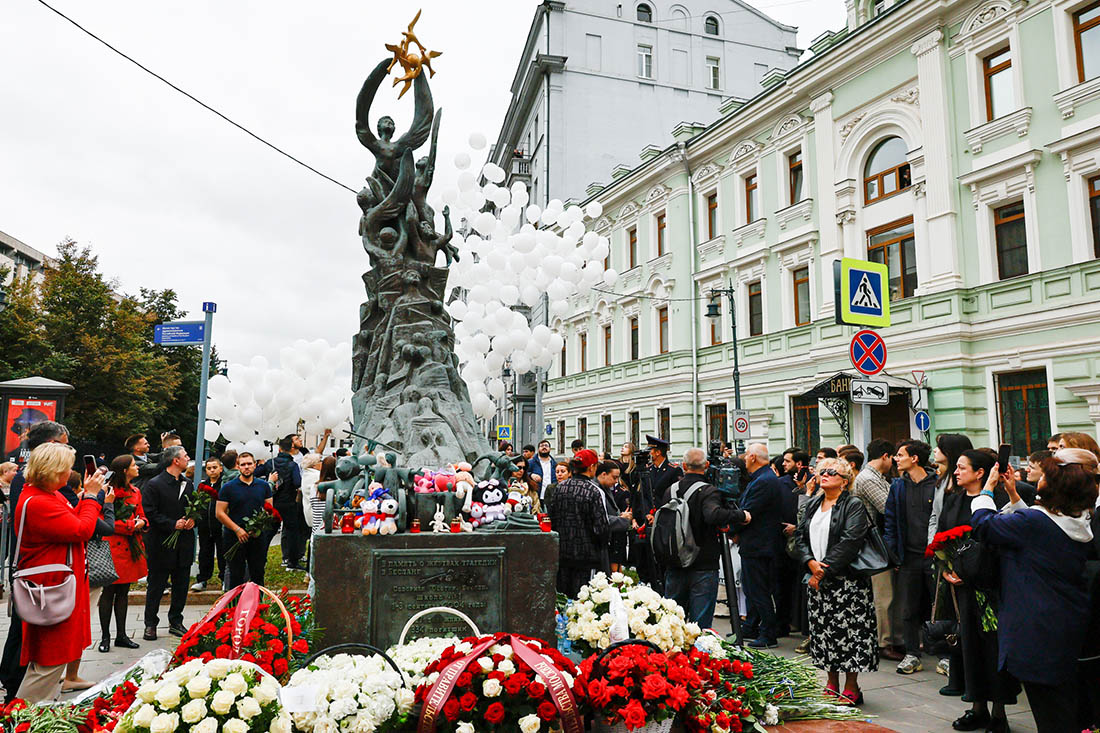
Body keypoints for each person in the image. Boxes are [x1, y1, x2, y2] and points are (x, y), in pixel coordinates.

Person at [970, 449, 1097, 733]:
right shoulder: (1079, 517)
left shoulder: (1035, 524)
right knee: (1062, 705)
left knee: (1051, 714)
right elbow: (1039, 525)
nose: (1037, 478)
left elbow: (984, 526)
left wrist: (987, 489)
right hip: (1063, 622)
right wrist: (1014, 495)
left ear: (1055, 487)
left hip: (1036, 631)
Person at [13, 443, 104, 703]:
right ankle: (21, 716)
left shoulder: (45, 494)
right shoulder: (41, 501)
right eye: (67, 468)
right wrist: (91, 498)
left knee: (52, 658)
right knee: (49, 660)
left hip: (54, 585)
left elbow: (72, 522)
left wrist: (87, 499)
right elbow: (81, 530)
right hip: (52, 590)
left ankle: (40, 709)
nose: (70, 473)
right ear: (54, 471)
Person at [939, 449, 1020, 733]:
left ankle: (999, 713)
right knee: (969, 647)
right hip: (962, 589)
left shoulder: (999, 501)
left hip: (995, 589)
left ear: (980, 473)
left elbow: (1004, 541)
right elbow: (941, 537)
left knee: (994, 649)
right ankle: (977, 708)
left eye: (962, 467)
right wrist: (946, 569)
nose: (956, 472)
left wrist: (977, 571)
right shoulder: (954, 500)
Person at [793, 457, 878, 706]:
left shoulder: (853, 504)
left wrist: (821, 572)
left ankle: (852, 686)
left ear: (845, 480)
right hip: (817, 581)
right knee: (824, 634)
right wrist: (810, 562)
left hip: (847, 582)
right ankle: (831, 683)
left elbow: (851, 541)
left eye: (832, 472)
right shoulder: (813, 503)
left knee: (851, 635)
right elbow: (799, 536)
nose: (825, 475)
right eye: (822, 471)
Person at [1, 420, 69, 701]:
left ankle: (11, 682)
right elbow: (75, 525)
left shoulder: (28, 476)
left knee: (21, 629)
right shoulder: (34, 480)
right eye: (64, 446)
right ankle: (14, 690)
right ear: (52, 445)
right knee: (24, 629)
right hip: (33, 566)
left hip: (29, 564)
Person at [663, 448, 747, 628]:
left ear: (684, 465)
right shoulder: (709, 491)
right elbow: (713, 515)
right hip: (703, 562)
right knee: (699, 624)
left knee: (672, 621)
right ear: (707, 465)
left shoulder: (671, 490)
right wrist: (741, 515)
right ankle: (698, 647)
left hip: (675, 560)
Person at [884, 439, 937, 675]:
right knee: (908, 608)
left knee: (938, 606)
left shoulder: (937, 484)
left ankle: (944, 655)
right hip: (908, 557)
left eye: (900, 455)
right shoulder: (898, 486)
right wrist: (894, 553)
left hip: (934, 555)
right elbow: (890, 520)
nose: (896, 459)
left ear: (914, 459)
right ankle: (912, 654)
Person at [852, 439, 903, 662]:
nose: (895, 462)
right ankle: (884, 642)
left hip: (878, 542)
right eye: (893, 457)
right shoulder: (868, 478)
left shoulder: (877, 477)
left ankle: (891, 639)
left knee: (888, 594)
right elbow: (887, 506)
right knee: (884, 596)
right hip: (873, 544)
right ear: (885, 456)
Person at [141, 446, 193, 640]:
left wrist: (193, 519)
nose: (188, 458)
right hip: (161, 543)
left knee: (181, 585)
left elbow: (193, 508)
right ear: (175, 461)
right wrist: (172, 524)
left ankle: (176, 621)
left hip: (184, 543)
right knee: (156, 586)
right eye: (185, 456)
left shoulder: (188, 483)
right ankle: (150, 623)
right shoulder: (154, 484)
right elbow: (149, 512)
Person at [99, 456, 146, 652]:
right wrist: (130, 525)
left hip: (130, 546)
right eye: (134, 465)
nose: (137, 468)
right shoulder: (107, 491)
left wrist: (142, 522)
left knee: (124, 592)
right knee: (108, 592)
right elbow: (102, 519)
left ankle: (121, 635)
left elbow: (141, 514)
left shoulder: (135, 491)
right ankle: (105, 637)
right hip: (113, 547)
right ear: (125, 470)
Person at [547, 449, 609, 597]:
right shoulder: (594, 491)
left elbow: (551, 518)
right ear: (591, 467)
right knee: (583, 599)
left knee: (563, 598)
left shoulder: (560, 488)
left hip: (562, 553)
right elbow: (601, 527)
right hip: (586, 556)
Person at [739, 442, 782, 648]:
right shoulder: (762, 478)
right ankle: (751, 626)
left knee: (758, 590)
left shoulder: (764, 481)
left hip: (759, 544)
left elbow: (748, 511)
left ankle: (768, 633)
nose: (744, 459)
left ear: (753, 457)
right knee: (751, 588)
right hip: (757, 543)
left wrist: (732, 528)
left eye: (747, 455)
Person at [217, 452, 274, 588]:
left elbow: (269, 511)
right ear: (238, 467)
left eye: (249, 464)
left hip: (256, 536)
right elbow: (219, 513)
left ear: (255, 465)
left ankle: (257, 601)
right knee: (236, 575)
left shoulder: (263, 486)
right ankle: (235, 601)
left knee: (258, 574)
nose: (246, 467)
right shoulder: (228, 487)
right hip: (234, 536)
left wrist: (258, 528)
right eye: (243, 464)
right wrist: (237, 529)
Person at [191, 456, 226, 592]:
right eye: (209, 468)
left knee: (223, 552)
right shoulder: (203, 486)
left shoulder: (224, 484)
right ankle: (203, 579)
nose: (212, 470)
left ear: (220, 468)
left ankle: (224, 578)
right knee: (205, 553)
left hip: (220, 525)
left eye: (214, 467)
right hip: (205, 526)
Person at [272, 436, 305, 570]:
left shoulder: (270, 463)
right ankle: (293, 561)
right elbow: (297, 483)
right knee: (292, 532)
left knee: (269, 531)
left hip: (273, 502)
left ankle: (260, 556)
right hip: (288, 502)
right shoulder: (292, 465)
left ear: (280, 449)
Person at [594, 460, 631, 573]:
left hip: (611, 541)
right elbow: (599, 519)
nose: (616, 481)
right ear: (604, 474)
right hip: (599, 544)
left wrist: (620, 515)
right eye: (614, 477)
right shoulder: (595, 490)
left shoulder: (605, 488)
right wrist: (623, 520)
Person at [301, 453, 324, 533]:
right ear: (314, 465)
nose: (322, 463)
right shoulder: (316, 476)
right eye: (320, 461)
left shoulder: (306, 474)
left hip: (309, 510)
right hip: (317, 512)